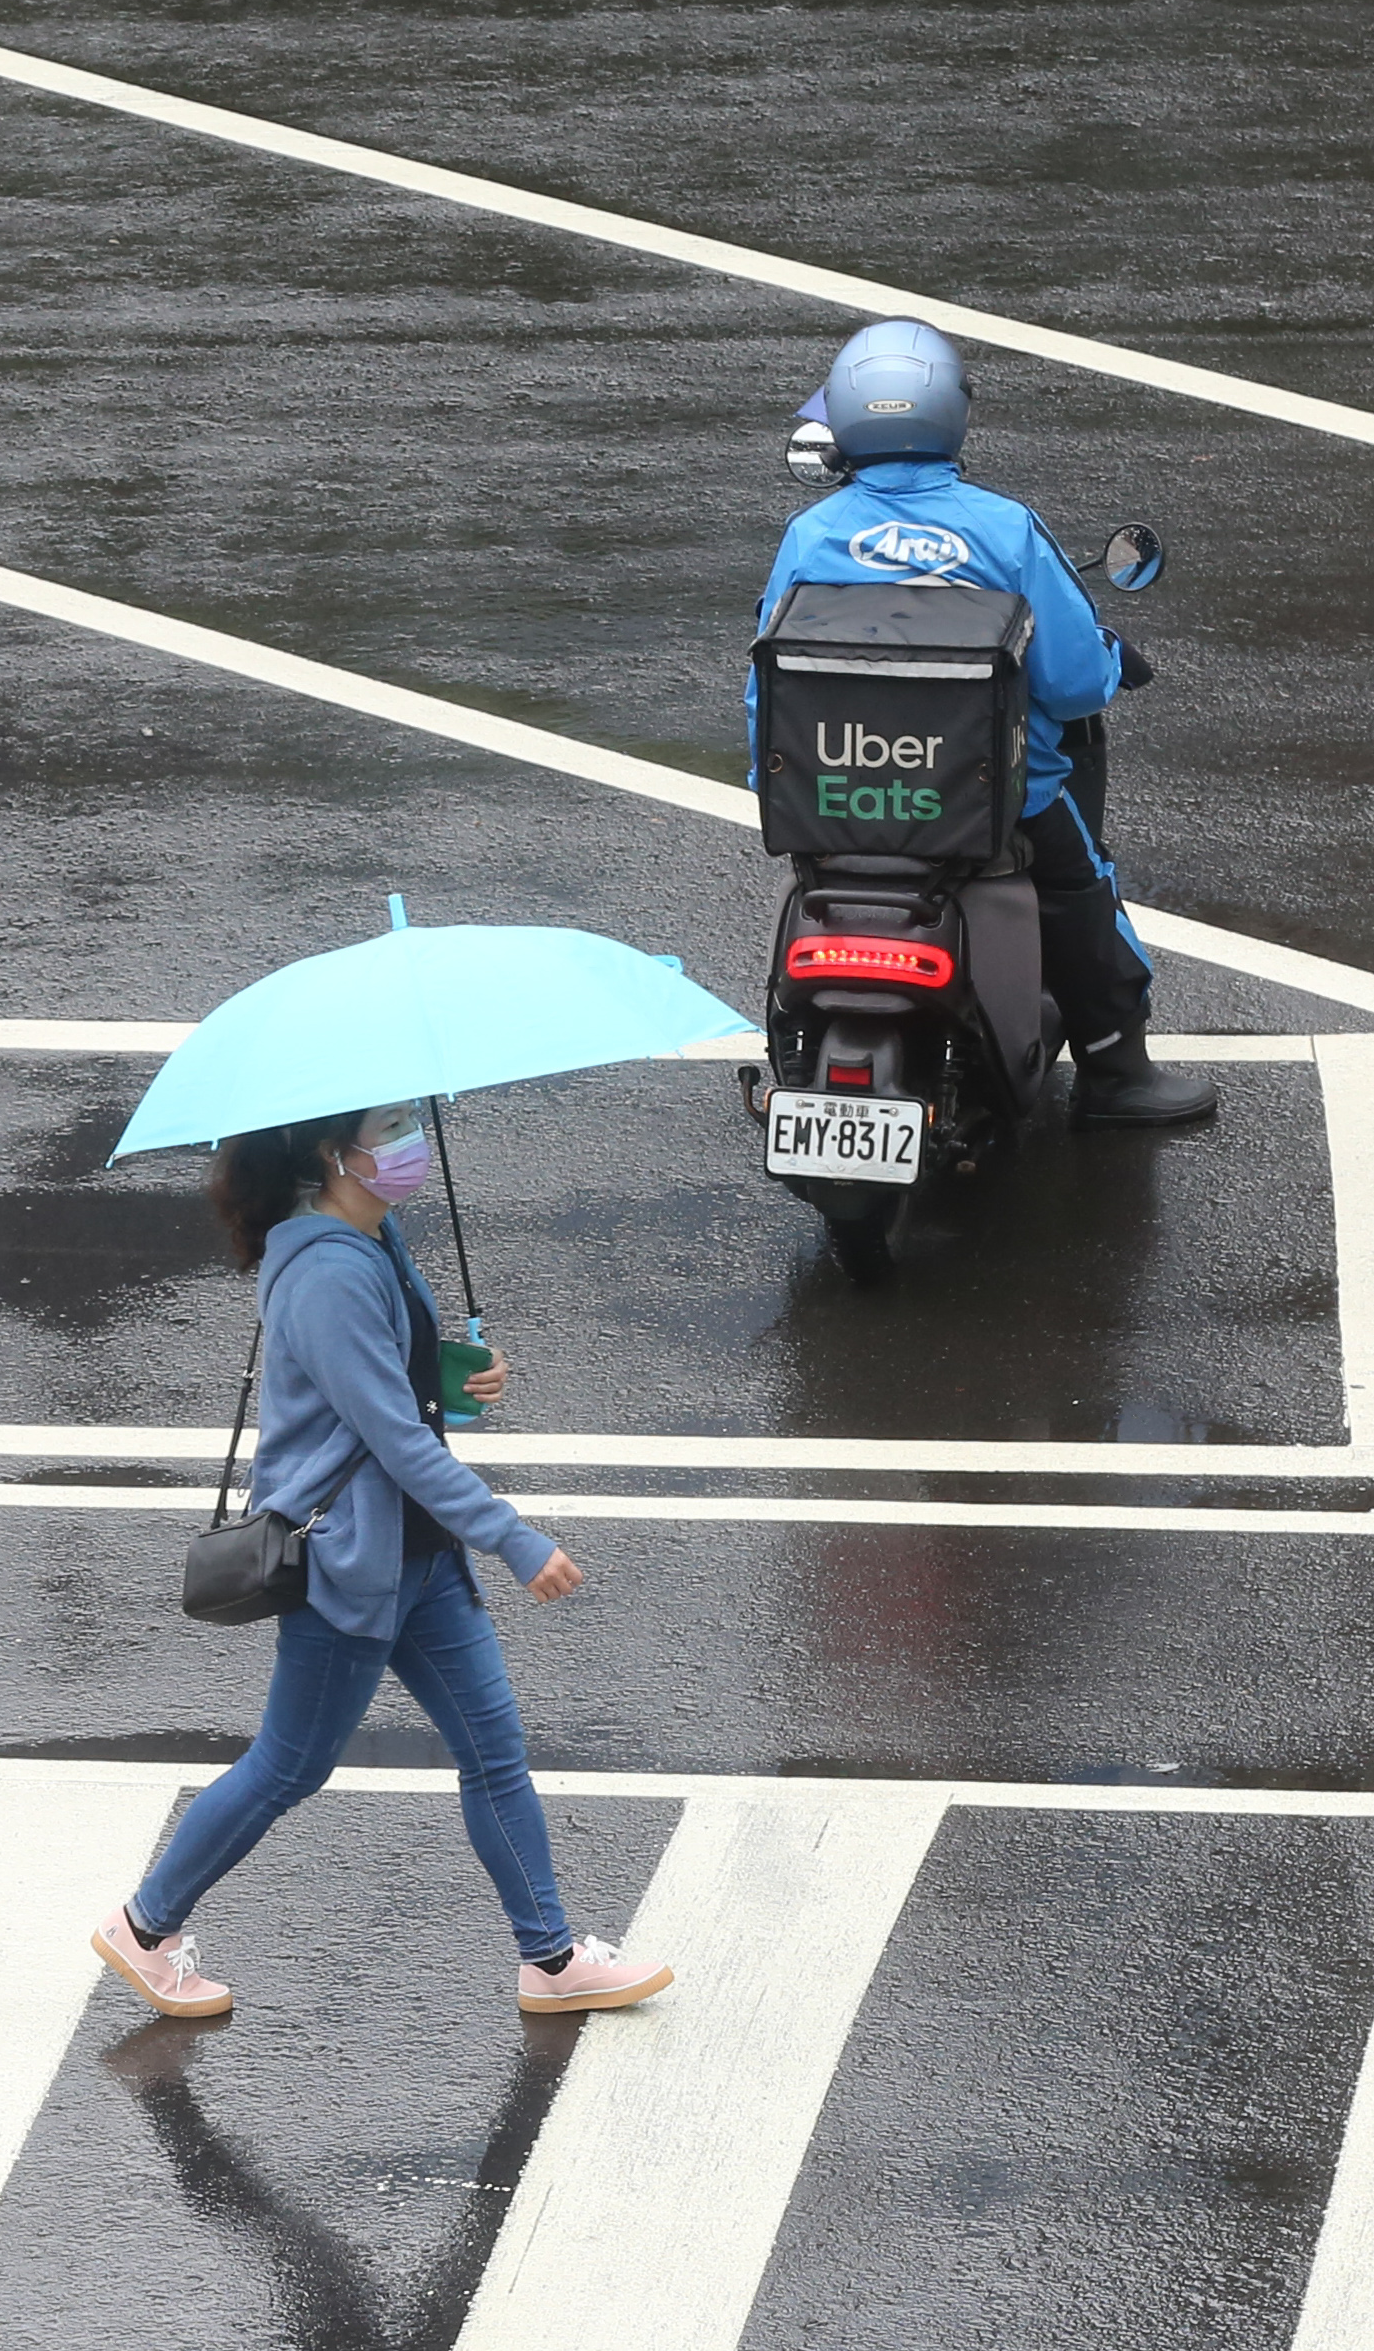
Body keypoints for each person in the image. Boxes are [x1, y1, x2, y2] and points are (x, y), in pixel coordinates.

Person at [92, 1100, 673, 2020]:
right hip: (347, 1561)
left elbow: (395, 1390)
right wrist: (516, 1539)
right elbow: (394, 1439)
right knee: (288, 1766)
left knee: (494, 1751)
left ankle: (552, 1962)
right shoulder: (323, 1272)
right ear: (335, 1157)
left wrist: (463, 1375)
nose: (406, 1147)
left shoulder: (375, 1234)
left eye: (408, 1126)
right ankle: (145, 1927)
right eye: (388, 1133)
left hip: (417, 1551)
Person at [752, 318, 1219, 1128]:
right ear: (950, 413)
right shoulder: (1003, 529)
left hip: (834, 800)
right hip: (992, 802)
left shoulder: (810, 533)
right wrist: (1113, 660)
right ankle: (1117, 1072)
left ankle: (791, 1062)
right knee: (1079, 888)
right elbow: (1073, 685)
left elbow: (768, 669)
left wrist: (772, 775)